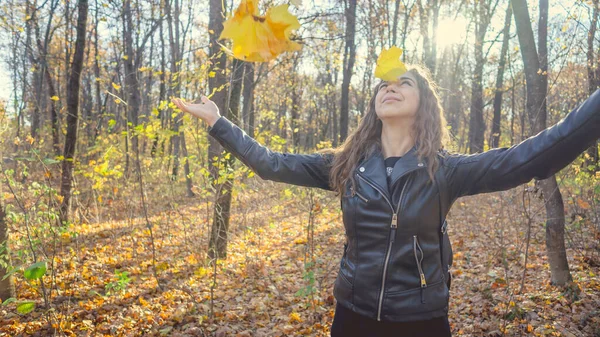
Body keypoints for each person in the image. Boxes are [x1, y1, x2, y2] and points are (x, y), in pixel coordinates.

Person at [171, 64, 600, 337]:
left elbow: (533, 154)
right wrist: (218, 123)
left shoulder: (445, 171)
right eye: (384, 84)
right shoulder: (345, 165)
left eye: (404, 82)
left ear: (423, 104)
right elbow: (271, 164)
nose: (390, 88)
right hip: (352, 315)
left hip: (422, 319)